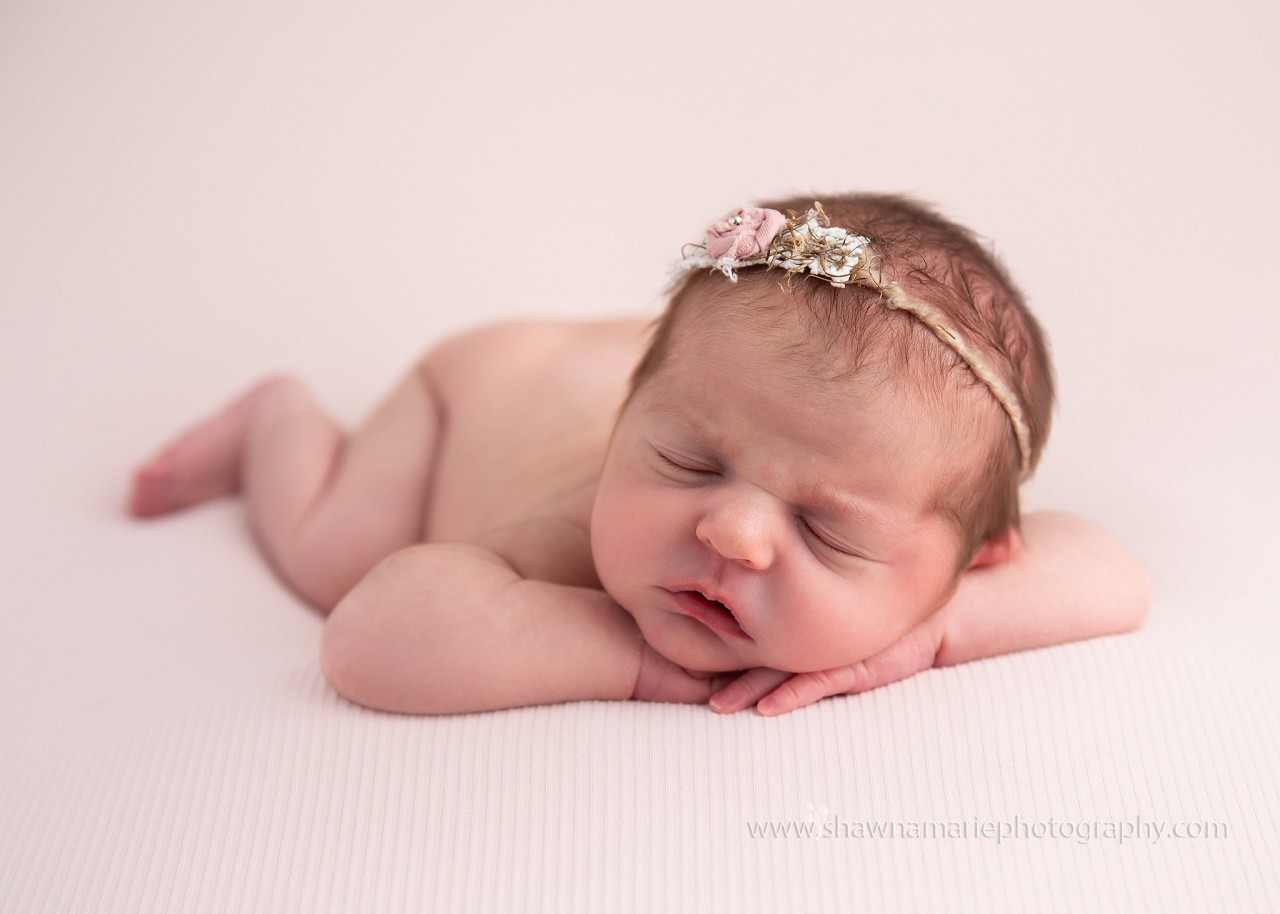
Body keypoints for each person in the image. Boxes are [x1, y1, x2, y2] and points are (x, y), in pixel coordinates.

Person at [127, 193, 1150, 716]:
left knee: (762, 400)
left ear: (972, 557)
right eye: (689, 464)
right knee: (332, 549)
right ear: (630, 427)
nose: (730, 528)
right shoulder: (570, 539)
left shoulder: (902, 492)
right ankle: (280, 422)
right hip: (477, 390)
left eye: (824, 526)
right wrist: (626, 655)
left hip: (675, 379)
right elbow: (368, 641)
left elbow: (1110, 572)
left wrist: (925, 635)